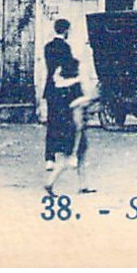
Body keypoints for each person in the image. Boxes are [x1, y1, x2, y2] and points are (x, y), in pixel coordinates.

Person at [42, 19, 83, 192]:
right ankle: (67, 154)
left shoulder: (47, 47)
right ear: (66, 31)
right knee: (66, 123)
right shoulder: (65, 48)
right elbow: (67, 67)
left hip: (50, 89)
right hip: (63, 91)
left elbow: (51, 68)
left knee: (51, 123)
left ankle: (49, 158)